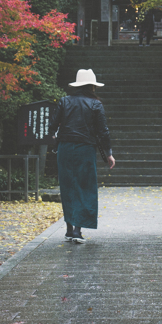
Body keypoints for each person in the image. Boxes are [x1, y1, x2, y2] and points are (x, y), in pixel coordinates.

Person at [49, 69, 116, 243]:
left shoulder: (65, 101)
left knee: (67, 186)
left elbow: (53, 125)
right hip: (85, 149)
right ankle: (78, 230)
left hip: (65, 148)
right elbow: (103, 132)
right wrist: (108, 154)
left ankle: (69, 229)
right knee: (84, 187)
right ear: (92, 86)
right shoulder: (95, 104)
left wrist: (56, 138)